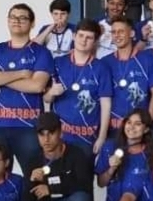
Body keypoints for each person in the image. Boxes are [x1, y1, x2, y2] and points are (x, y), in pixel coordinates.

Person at [0, 3, 54, 174]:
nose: (17, 21)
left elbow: (37, 86)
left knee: (34, 176)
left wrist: (0, 77)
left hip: (28, 126)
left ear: (32, 23)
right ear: (8, 21)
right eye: (13, 17)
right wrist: (21, 74)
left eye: (22, 18)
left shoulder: (41, 52)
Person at [45, 19, 113, 156]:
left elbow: (106, 104)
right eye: (81, 35)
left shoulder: (101, 68)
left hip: (87, 136)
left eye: (89, 37)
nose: (83, 40)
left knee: (84, 170)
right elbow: (46, 99)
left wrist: (102, 136)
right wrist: (51, 92)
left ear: (95, 41)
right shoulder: (58, 63)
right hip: (60, 135)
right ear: (74, 36)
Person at [96, 109, 153, 201]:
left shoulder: (151, 153)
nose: (132, 127)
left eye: (138, 124)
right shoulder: (109, 146)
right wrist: (111, 169)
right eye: (129, 122)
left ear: (146, 129)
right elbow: (101, 183)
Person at [102, 16, 153, 137]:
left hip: (138, 130)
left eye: (121, 31)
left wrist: (146, 123)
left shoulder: (147, 60)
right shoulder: (105, 62)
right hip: (113, 128)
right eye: (114, 32)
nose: (117, 35)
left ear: (132, 33)